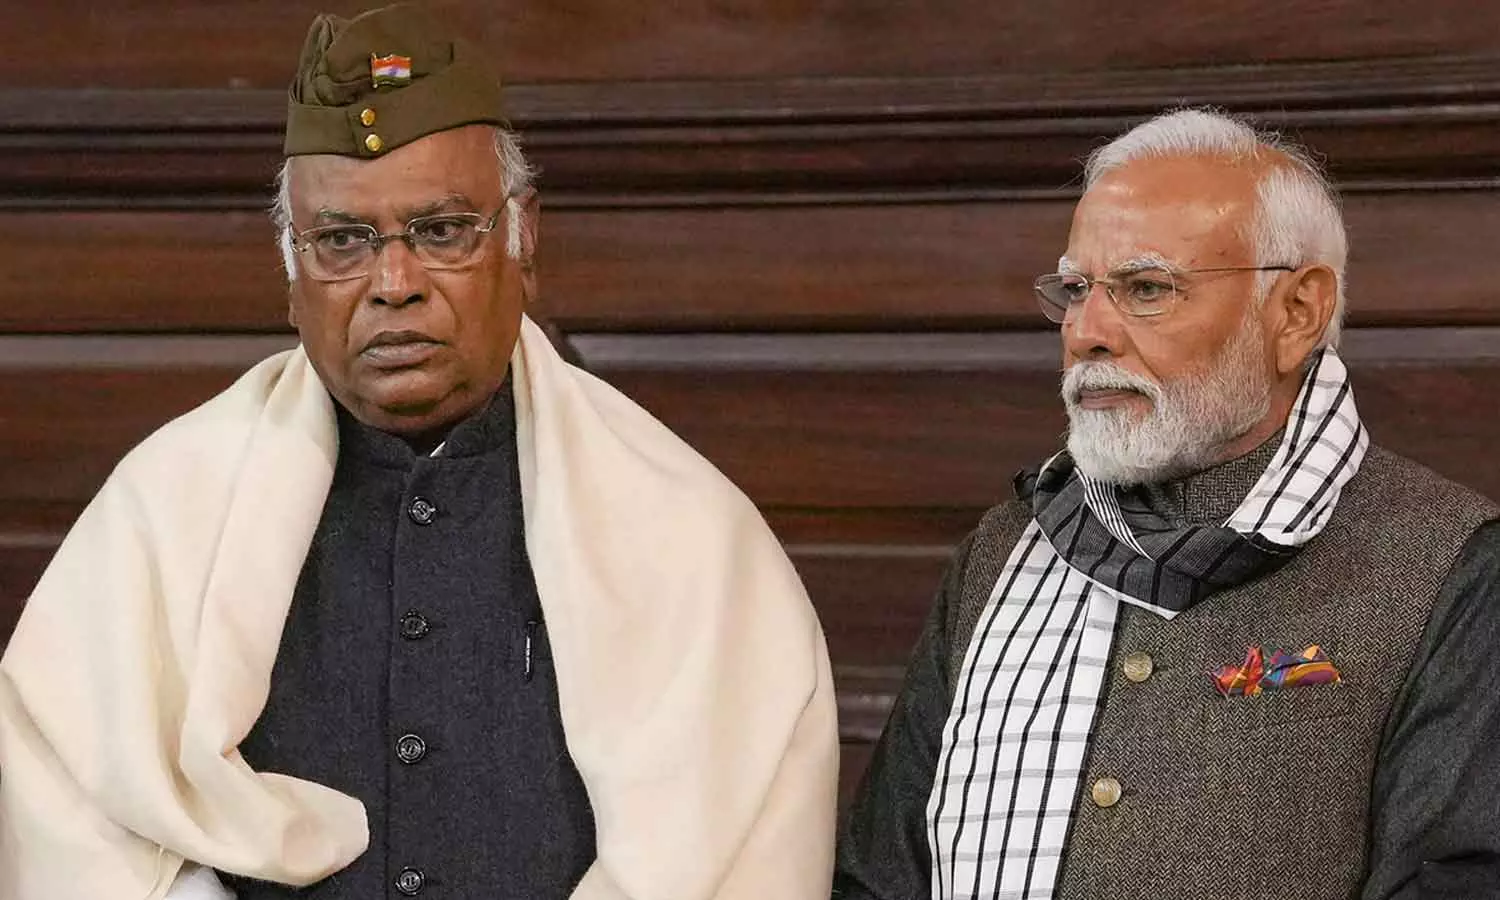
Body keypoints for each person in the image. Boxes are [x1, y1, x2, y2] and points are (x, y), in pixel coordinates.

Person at [0, 5, 839, 899]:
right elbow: (77, 821)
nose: (393, 285)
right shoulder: (163, 516)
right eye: (342, 242)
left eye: (441, 231)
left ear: (523, 240)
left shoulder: (686, 537)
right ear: (291, 273)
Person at [834, 108, 1500, 900]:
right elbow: (879, 878)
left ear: (1296, 313)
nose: (1086, 333)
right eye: (1076, 290)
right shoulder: (1006, 547)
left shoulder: (1449, 563)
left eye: (1146, 288)